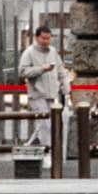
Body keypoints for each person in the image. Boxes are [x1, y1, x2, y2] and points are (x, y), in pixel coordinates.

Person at [18, 26, 69, 161]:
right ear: (36, 37)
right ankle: (48, 154)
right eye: (43, 38)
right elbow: (22, 72)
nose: (46, 41)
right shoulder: (29, 53)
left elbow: (61, 70)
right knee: (45, 124)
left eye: (48, 38)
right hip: (37, 94)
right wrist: (41, 69)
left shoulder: (53, 51)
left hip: (52, 94)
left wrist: (65, 86)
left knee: (46, 124)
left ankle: (28, 147)